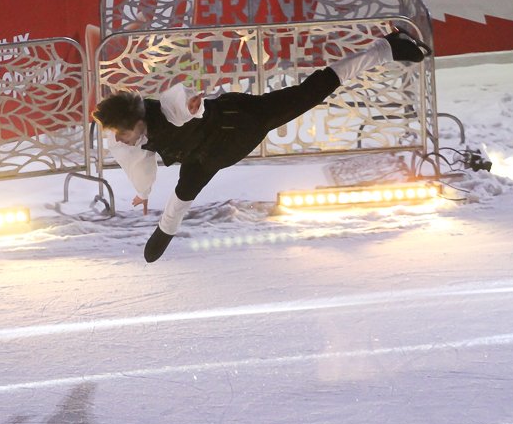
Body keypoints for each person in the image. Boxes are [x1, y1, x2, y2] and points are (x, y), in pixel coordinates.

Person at [93, 29, 432, 263]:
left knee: (312, 91)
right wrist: (144, 190)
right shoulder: (137, 133)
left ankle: (387, 48)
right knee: (182, 196)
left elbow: (178, 106)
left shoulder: (163, 111)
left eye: (121, 133)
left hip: (239, 122)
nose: (120, 139)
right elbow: (138, 160)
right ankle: (163, 234)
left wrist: (194, 106)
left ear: (135, 123)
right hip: (205, 155)